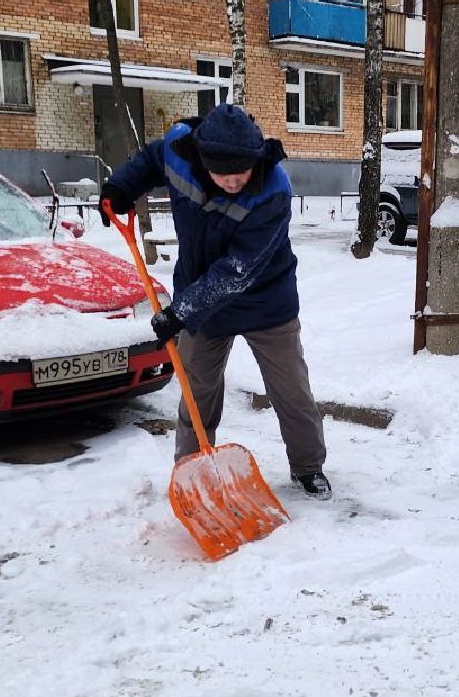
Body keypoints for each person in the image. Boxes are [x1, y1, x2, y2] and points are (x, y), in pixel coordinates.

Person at [100, 104, 331, 500]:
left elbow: (239, 268)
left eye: (241, 171)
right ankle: (191, 472)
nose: (234, 180)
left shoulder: (273, 190)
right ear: (202, 160)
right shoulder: (179, 150)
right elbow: (153, 158)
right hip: (200, 297)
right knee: (197, 391)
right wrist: (122, 185)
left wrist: (181, 312)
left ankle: (308, 467)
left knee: (290, 390)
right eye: (223, 172)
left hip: (265, 300)